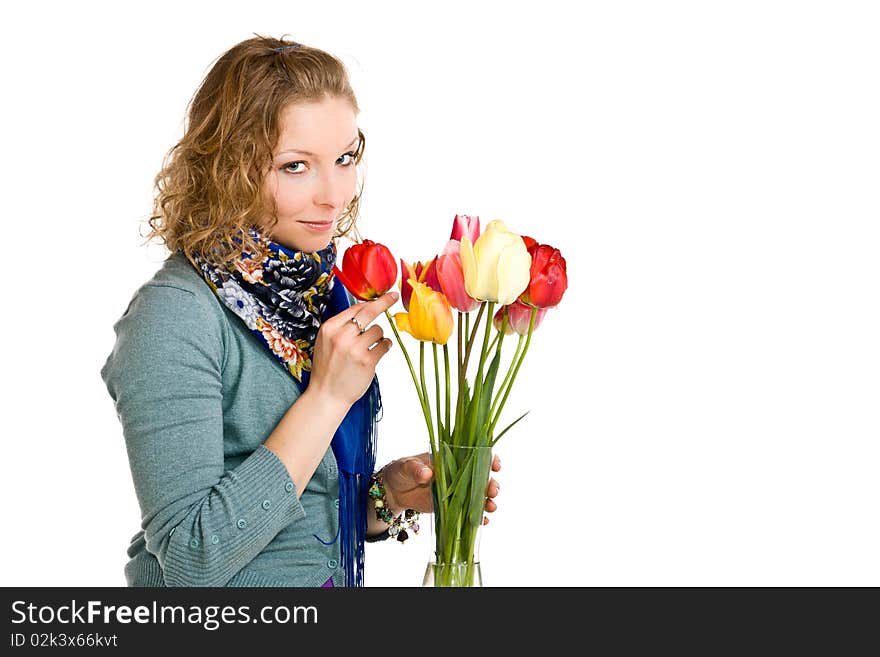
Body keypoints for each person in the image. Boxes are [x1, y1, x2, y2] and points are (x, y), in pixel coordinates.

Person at [100, 34, 500, 587]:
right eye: (295, 166)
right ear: (228, 169)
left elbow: (288, 527)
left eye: (343, 159)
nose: (333, 195)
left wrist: (382, 498)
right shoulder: (173, 317)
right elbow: (192, 560)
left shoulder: (316, 293)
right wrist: (327, 397)